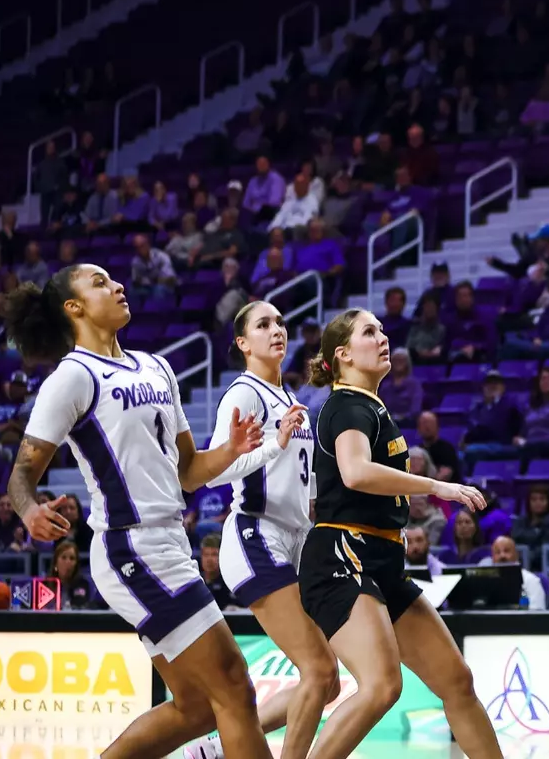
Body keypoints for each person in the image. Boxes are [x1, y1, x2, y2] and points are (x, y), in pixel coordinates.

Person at [2, 267, 273, 759]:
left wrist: (231, 450)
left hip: (170, 543)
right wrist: (28, 509)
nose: (118, 286)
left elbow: (188, 472)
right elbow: (21, 473)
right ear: (74, 308)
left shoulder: (157, 368)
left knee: (197, 708)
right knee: (235, 685)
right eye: (100, 283)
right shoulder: (73, 376)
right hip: (131, 548)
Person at [296, 309, 502, 759]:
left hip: (382, 559)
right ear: (343, 354)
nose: (383, 337)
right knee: (383, 684)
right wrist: (436, 486)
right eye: (370, 332)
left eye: (383, 330)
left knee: (456, 681)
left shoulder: (370, 405)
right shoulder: (347, 404)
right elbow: (354, 472)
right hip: (341, 556)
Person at [184, 302, 339, 759]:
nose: (277, 331)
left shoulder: (291, 401)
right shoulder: (243, 393)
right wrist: (277, 443)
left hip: (295, 540)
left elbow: (301, 486)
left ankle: (218, 746)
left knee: (326, 682)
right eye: (263, 325)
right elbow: (212, 473)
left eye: (281, 323)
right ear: (242, 343)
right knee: (317, 668)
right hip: (255, 535)